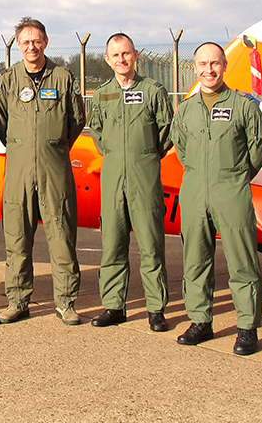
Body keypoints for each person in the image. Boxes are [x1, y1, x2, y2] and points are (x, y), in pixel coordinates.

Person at [171, 42, 262, 355]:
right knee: (196, 260)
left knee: (242, 262)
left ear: (224, 66)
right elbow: (182, 150)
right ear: (195, 68)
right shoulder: (186, 110)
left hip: (232, 189)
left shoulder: (244, 106)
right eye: (203, 64)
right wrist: (202, 176)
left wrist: (235, 177)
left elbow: (257, 150)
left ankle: (246, 327)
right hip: (195, 189)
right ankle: (201, 320)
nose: (209, 70)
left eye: (214, 64)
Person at [0, 17, 86, 325]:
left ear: (45, 42)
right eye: (25, 42)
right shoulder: (8, 80)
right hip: (18, 170)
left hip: (54, 168)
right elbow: (1, 122)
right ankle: (18, 300)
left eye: (37, 41)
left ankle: (66, 302)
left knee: (61, 235)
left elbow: (76, 120)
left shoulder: (63, 77)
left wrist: (54, 145)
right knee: (17, 236)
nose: (31, 47)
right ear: (18, 45)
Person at [87, 33, 173, 332]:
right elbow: (97, 131)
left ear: (135, 55)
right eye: (115, 55)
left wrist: (145, 156)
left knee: (151, 244)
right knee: (112, 243)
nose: (121, 60)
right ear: (108, 59)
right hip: (112, 175)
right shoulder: (103, 94)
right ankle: (114, 305)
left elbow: (166, 131)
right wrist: (116, 155)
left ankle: (156, 308)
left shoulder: (153, 91)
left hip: (145, 174)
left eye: (126, 54)